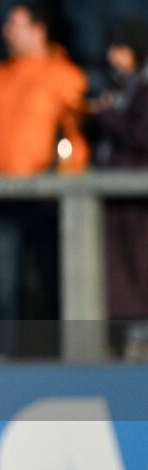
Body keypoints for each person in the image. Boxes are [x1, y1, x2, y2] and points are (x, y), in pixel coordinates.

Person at [0, 2, 88, 355]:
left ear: (39, 30)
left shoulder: (65, 75)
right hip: (1, 194)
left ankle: (65, 355)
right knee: (6, 286)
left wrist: (66, 180)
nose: (6, 32)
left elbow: (77, 135)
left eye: (15, 24)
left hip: (46, 196)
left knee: (55, 279)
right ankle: (9, 356)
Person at [90, 18, 148, 356]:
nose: (113, 55)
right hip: (120, 197)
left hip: (139, 199)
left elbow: (141, 136)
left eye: (121, 48)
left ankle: (140, 336)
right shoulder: (124, 85)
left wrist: (107, 114)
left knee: (139, 266)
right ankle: (132, 336)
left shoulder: (141, 89)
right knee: (122, 271)